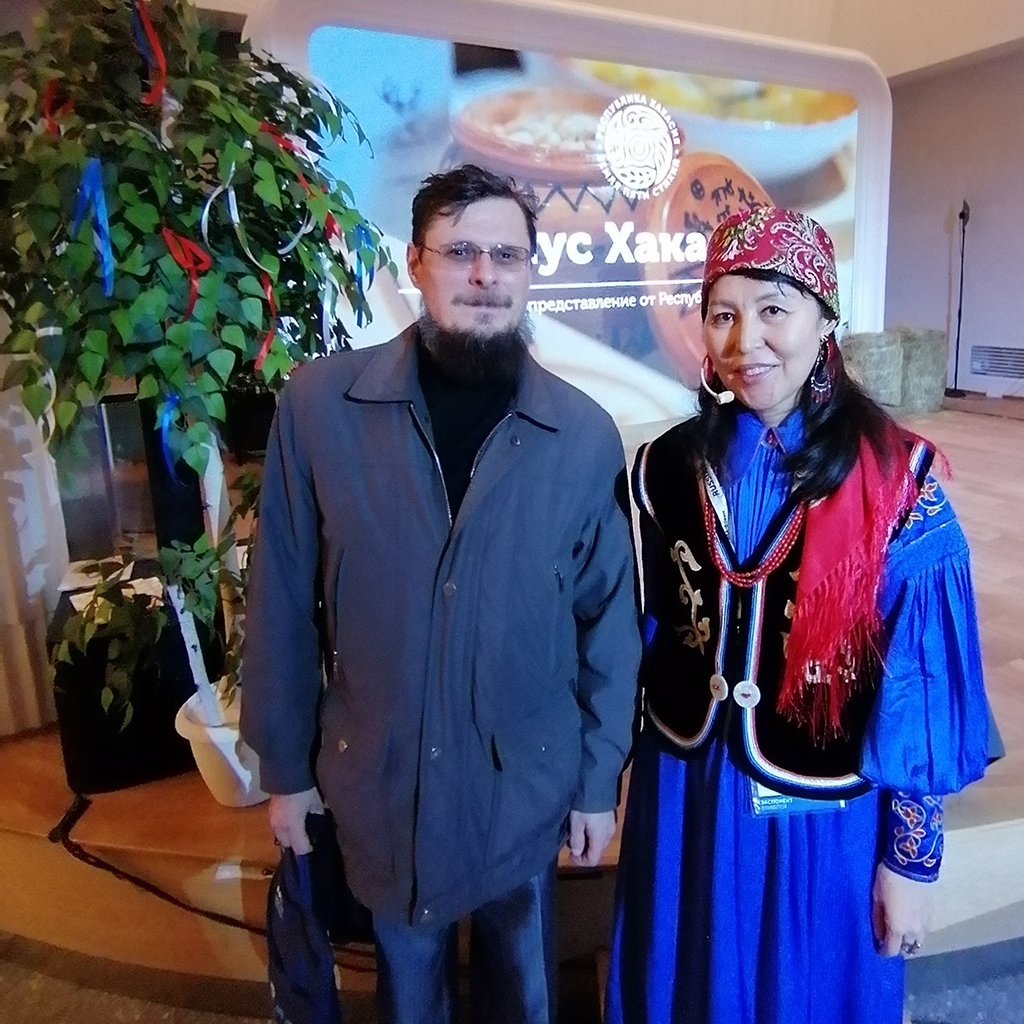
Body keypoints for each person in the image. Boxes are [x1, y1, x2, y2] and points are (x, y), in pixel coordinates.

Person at [240, 163, 641, 1024]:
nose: (485, 274)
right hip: (382, 785)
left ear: (531, 270)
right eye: (460, 252)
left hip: (523, 788)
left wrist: (596, 781)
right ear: (416, 264)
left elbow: (609, 625)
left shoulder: (581, 435)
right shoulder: (321, 408)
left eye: (506, 254)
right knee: (407, 999)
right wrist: (285, 769)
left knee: (523, 997)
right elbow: (280, 599)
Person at [605, 205, 990, 1024]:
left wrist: (911, 862)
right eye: (723, 315)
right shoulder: (664, 468)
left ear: (825, 320)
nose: (746, 341)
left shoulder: (897, 483)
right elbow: (646, 639)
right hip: (687, 795)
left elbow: (919, 697)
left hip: (823, 819)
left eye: (773, 309)